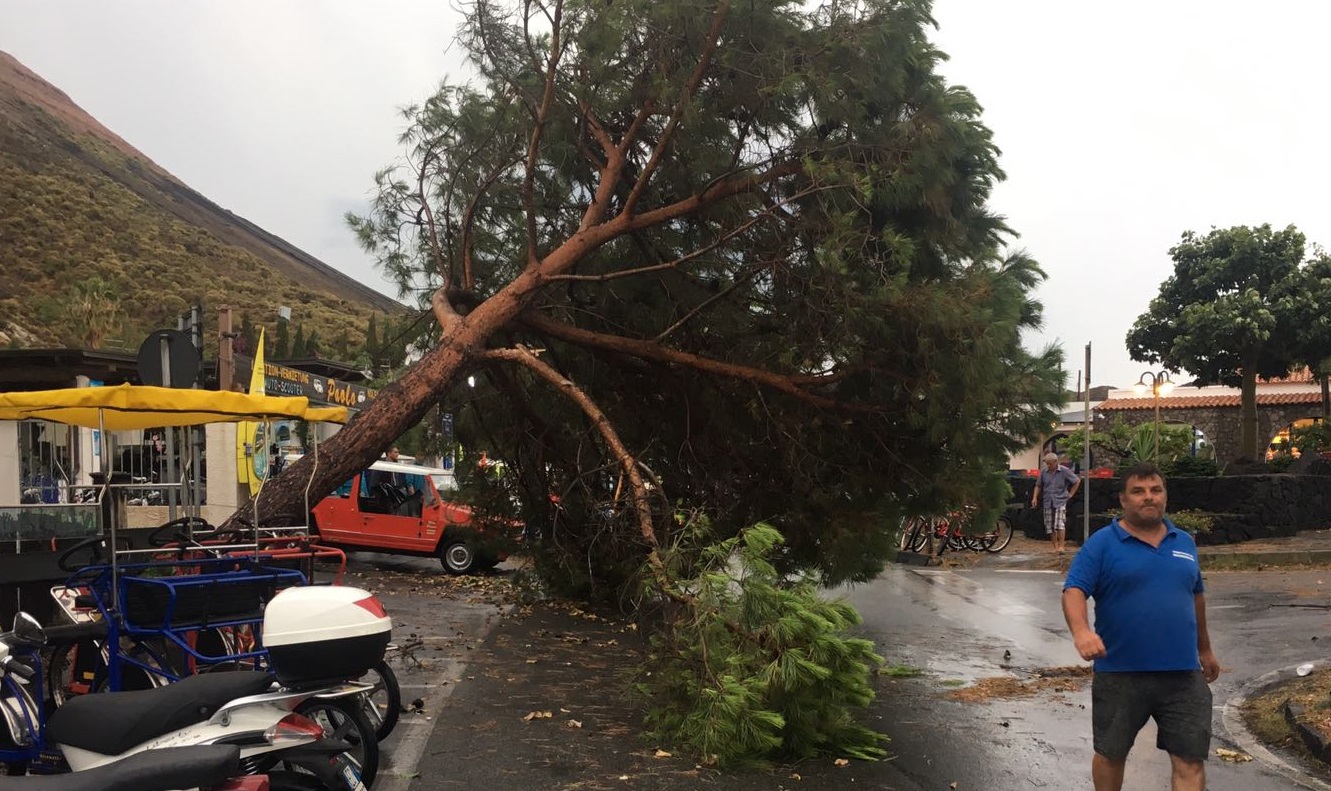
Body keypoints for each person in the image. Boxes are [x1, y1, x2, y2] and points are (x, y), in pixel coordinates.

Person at [1062, 461, 1221, 791]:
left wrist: (1205, 649)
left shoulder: (1184, 543)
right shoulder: (1102, 544)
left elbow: (1196, 597)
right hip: (1120, 674)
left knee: (1190, 760)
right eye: (1138, 491)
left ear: (1165, 496)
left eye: (1155, 490)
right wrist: (1081, 631)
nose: (1148, 497)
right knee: (1111, 754)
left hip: (1182, 676)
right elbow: (1074, 590)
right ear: (1123, 499)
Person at [1031, 451, 1080, 553]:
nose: (1048, 465)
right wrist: (1035, 497)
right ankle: (1055, 546)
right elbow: (1038, 485)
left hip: (1060, 500)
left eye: (1050, 463)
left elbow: (1076, 481)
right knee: (1049, 525)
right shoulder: (1044, 472)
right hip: (1048, 500)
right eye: (1047, 463)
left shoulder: (1064, 471)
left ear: (1056, 462)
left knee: (1059, 523)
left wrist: (1070, 494)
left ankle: (1062, 546)